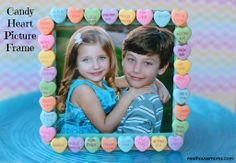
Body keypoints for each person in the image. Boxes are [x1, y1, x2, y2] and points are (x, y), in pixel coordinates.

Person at [56, 26, 154, 134]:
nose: (96, 66)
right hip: (81, 144)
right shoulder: (83, 90)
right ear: (75, 64)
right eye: (86, 60)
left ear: (110, 58)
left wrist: (159, 85)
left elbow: (133, 78)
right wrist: (130, 95)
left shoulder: (100, 82)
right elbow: (105, 127)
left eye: (102, 58)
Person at [116, 25, 174, 134]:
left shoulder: (144, 103)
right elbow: (108, 82)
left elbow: (132, 146)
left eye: (147, 63)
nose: (136, 69)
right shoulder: (133, 84)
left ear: (162, 68)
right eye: (131, 59)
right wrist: (158, 83)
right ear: (123, 59)